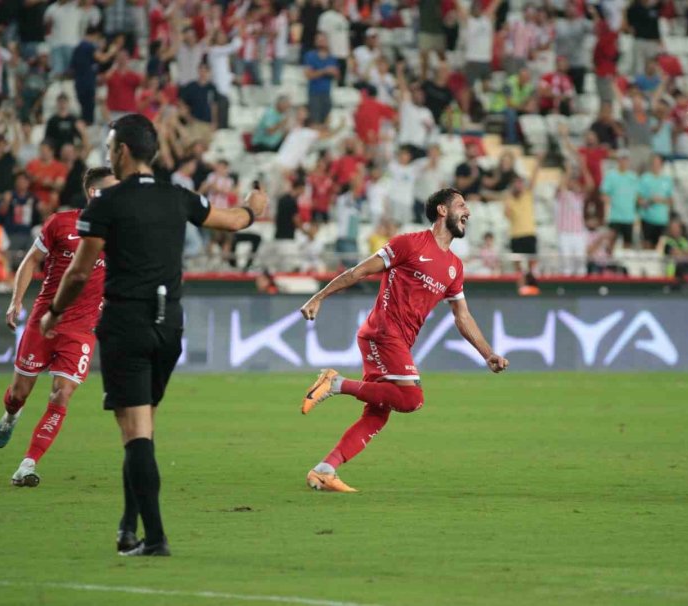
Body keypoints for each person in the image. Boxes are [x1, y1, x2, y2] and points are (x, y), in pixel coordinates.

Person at [38, 114, 268, 555]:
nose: (109, 154)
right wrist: (254, 207)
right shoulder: (178, 196)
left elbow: (79, 272)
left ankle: (155, 537)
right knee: (141, 428)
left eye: (110, 147)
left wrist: (53, 312)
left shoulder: (106, 203)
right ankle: (127, 527)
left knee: (135, 434)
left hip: (127, 324)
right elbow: (235, 221)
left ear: (122, 151)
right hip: (170, 326)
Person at [298, 188, 509, 492]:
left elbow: (462, 315)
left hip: (396, 339)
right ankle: (335, 383)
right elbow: (359, 271)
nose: (468, 212)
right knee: (412, 399)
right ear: (442, 210)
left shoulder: (455, 267)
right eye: (461, 205)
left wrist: (487, 353)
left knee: (377, 414)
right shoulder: (409, 244)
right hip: (383, 331)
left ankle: (324, 470)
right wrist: (319, 296)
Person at [0, 167, 117, 487]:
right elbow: (31, 261)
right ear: (94, 193)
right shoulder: (60, 223)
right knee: (18, 394)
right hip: (44, 322)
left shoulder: (123, 231)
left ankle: (27, 464)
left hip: (81, 330)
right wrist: (16, 302)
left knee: (61, 394)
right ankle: (10, 415)